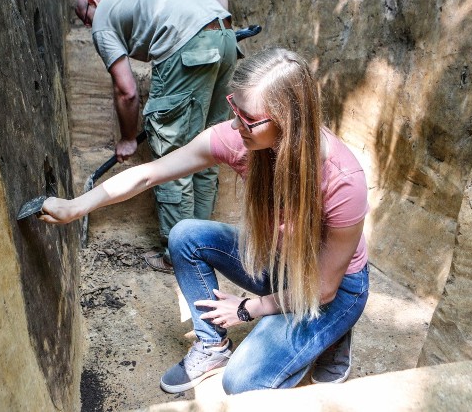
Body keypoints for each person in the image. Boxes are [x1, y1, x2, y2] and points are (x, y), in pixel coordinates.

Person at [40, 48, 370, 393]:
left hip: (330, 287)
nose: (235, 124)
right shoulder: (241, 138)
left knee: (242, 384)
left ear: (289, 122)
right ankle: (213, 346)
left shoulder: (343, 179)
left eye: (249, 119)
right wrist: (76, 206)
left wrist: (247, 308)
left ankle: (331, 336)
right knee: (186, 235)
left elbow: (324, 287)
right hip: (282, 261)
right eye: (234, 108)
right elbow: (149, 174)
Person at [74, 0, 238, 272]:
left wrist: (127, 138)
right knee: (208, 148)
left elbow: (127, 91)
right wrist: (220, 32)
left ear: (92, 2)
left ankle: (179, 256)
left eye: (83, 17)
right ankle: (203, 246)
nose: (87, 26)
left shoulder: (102, 17)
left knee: (173, 158)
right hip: (227, 39)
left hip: (187, 46)